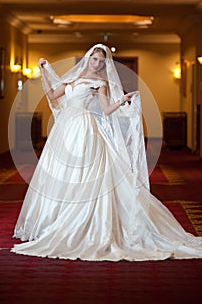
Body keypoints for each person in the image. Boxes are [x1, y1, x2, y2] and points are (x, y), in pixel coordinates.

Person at [11, 44, 202, 261]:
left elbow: (105, 109)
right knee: (60, 171)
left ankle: (83, 225)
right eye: (95, 59)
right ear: (88, 58)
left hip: (84, 128)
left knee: (87, 172)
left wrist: (121, 101)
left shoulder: (100, 83)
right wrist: (44, 71)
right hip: (64, 129)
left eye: (102, 62)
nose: (98, 64)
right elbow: (54, 95)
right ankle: (51, 222)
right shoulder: (71, 79)